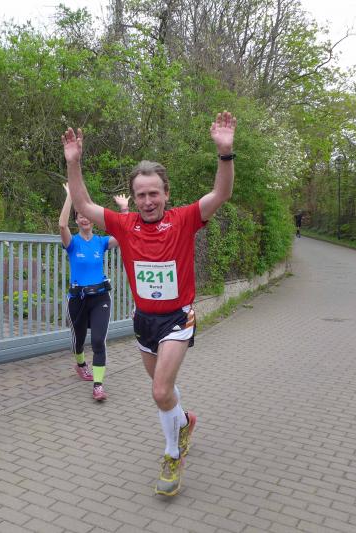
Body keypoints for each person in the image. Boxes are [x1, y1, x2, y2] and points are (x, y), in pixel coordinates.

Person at [62, 111, 237, 496]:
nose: (146, 200)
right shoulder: (124, 226)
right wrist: (74, 163)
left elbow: (221, 194)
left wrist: (225, 153)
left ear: (166, 193)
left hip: (177, 319)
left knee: (159, 391)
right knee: (164, 391)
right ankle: (184, 421)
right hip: (144, 320)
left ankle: (173, 456)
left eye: (153, 193)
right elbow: (84, 204)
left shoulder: (185, 219)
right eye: (140, 194)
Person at [58, 183, 128, 401]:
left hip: (100, 298)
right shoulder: (72, 243)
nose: (84, 219)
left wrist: (124, 209)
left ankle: (98, 386)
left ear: (92, 219)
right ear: (77, 220)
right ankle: (80, 364)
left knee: (98, 341)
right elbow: (61, 225)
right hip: (77, 299)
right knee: (78, 340)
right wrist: (70, 197)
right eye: (80, 216)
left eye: (87, 215)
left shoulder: (101, 242)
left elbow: (124, 235)